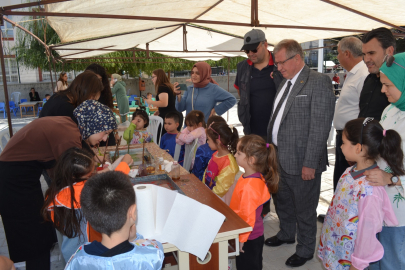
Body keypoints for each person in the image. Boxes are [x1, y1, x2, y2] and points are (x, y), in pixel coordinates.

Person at [0, 100, 117, 270]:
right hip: (13, 180)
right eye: (105, 133)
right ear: (93, 124)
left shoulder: (70, 126)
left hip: (19, 175)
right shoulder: (68, 135)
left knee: (39, 234)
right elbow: (73, 179)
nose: (105, 138)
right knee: (35, 239)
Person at [265, 39, 335, 267]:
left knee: (305, 209)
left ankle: (305, 249)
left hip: (302, 160)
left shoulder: (318, 81)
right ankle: (286, 233)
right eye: (276, 64)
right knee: (282, 201)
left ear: (297, 58)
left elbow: (320, 127)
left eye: (282, 62)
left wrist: (310, 163)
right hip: (278, 158)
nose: (278, 67)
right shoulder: (283, 82)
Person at [318, 118, 399, 270]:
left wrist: (357, 264)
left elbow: (367, 233)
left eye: (343, 142)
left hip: (350, 260)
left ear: (358, 148)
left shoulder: (370, 189)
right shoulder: (350, 172)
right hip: (336, 248)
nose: (340, 146)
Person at [42, 148, 133, 262]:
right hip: (88, 256)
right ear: (80, 178)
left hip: (71, 255)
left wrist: (111, 168)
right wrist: (124, 163)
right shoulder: (87, 192)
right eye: (90, 175)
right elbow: (113, 185)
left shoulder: (56, 192)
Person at [65, 171, 164, 269]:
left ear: (90, 218)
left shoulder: (78, 259)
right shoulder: (151, 257)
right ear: (133, 212)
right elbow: (156, 247)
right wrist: (134, 239)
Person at [364, 52, 405, 269]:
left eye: (387, 85)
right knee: (373, 257)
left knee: (393, 261)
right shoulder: (390, 110)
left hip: (400, 214)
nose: (382, 90)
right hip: (379, 201)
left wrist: (392, 179)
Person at [231, 135, 279, 270]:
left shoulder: (250, 185)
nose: (235, 155)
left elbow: (247, 216)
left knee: (248, 266)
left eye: (239, 153)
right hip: (249, 233)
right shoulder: (250, 177)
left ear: (251, 160)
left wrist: (241, 239)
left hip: (249, 236)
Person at [333, 37, 369, 191]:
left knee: (348, 181)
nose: (337, 57)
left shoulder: (363, 73)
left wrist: (355, 143)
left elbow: (364, 111)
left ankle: (345, 214)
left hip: (352, 139)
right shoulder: (353, 73)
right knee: (341, 177)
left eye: (338, 53)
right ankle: (338, 212)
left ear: (347, 53)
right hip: (344, 136)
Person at [234, 29, 283, 139]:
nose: (250, 54)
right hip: (252, 132)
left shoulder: (280, 63)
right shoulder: (242, 67)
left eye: (254, 50)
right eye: (247, 51)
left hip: (279, 130)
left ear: (265, 44)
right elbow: (241, 92)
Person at [358, 27, 394, 121]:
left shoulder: (400, 83)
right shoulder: (369, 79)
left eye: (371, 53)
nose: (366, 59)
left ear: (389, 51)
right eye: (364, 54)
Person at [203, 121, 239, 198]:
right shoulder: (215, 154)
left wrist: (208, 195)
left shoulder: (229, 163)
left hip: (219, 199)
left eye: (208, 139)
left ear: (218, 142)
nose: (207, 142)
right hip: (209, 193)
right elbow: (207, 173)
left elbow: (221, 190)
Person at [85, 64, 117, 146]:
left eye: (99, 79)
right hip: (92, 139)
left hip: (107, 137)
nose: (96, 83)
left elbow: (110, 116)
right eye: (94, 79)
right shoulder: (83, 96)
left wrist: (115, 132)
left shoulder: (104, 94)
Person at [145, 69, 183, 134]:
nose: (152, 79)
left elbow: (164, 103)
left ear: (159, 77)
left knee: (163, 140)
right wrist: (160, 110)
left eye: (153, 77)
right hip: (175, 117)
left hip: (170, 118)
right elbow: (170, 102)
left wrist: (150, 101)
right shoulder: (168, 86)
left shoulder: (162, 87)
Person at [192, 115, 226, 181]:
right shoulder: (227, 149)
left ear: (207, 131)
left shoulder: (203, 150)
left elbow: (197, 173)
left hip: (204, 185)